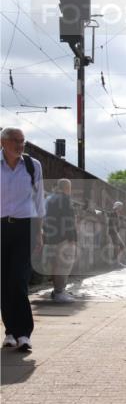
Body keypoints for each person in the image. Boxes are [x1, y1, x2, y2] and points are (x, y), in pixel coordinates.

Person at [1, 127, 46, 352]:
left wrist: (39, 232)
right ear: (3, 142)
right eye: (15, 141)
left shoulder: (32, 166)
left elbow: (39, 201)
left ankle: (24, 333)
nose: (20, 145)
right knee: (3, 283)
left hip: (24, 228)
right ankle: (10, 331)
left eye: (23, 141)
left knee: (19, 280)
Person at [43, 178, 78, 303]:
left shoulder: (50, 199)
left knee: (56, 264)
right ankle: (59, 292)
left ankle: (57, 290)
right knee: (64, 264)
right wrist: (72, 237)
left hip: (52, 237)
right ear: (67, 188)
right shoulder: (65, 199)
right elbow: (68, 220)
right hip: (64, 237)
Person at [107, 201, 126, 267]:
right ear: (117, 207)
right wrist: (117, 233)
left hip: (115, 233)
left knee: (118, 247)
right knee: (121, 246)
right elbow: (113, 224)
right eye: (120, 206)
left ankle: (116, 262)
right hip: (113, 233)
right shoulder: (113, 213)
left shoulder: (117, 214)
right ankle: (117, 263)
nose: (122, 207)